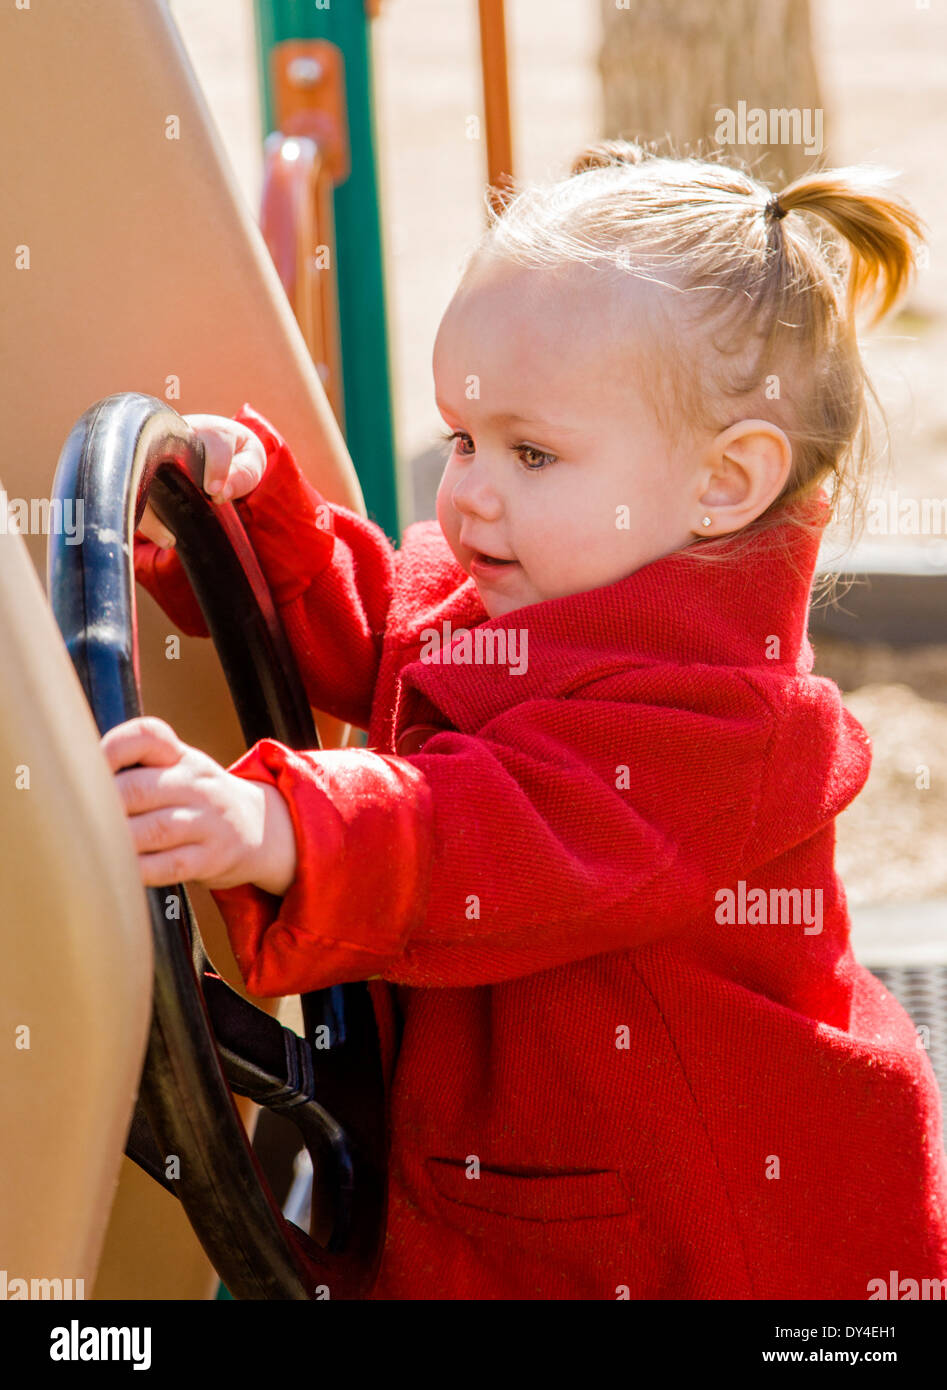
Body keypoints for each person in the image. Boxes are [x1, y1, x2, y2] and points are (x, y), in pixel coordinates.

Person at [108, 142, 947, 1299]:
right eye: (460, 439)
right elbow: (397, 632)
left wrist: (278, 825)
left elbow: (488, 831)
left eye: (531, 451)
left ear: (723, 481)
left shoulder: (724, 722)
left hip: (693, 1246)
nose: (467, 493)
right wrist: (261, 535)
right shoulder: (548, 583)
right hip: (526, 1186)